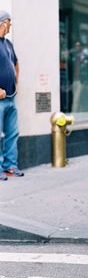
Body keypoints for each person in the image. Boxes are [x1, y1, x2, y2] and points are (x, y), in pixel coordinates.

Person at [0, 10, 24, 181]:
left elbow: (16, 63)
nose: (10, 27)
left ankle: (10, 166)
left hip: (11, 96)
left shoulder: (7, 43)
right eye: (9, 23)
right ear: (3, 23)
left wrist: (16, 82)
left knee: (12, 133)